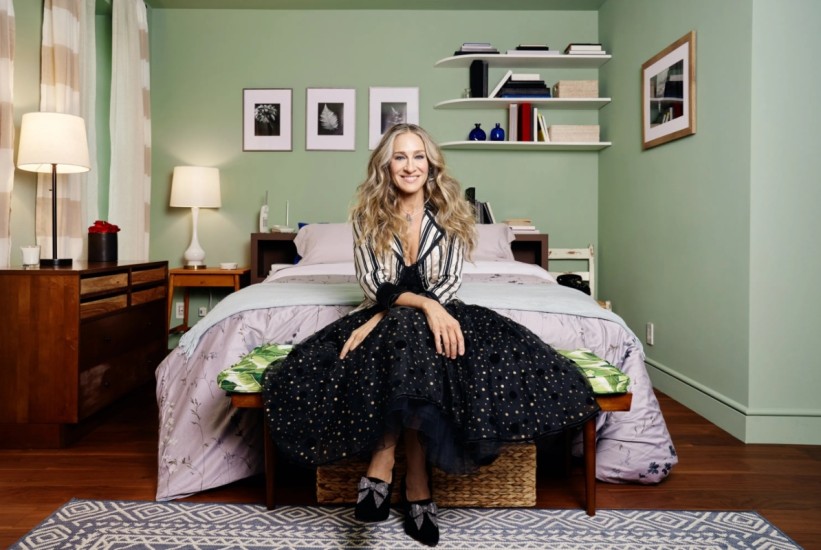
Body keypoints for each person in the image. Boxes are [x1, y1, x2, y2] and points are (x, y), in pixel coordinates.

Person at [263, 124, 601, 546]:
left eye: (418, 156)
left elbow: (447, 284)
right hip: (390, 315)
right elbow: (374, 285)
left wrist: (416, 310)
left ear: (431, 164)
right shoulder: (367, 217)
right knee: (397, 334)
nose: (410, 166)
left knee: (417, 334)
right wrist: (405, 310)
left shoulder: (452, 214)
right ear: (386, 166)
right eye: (400, 157)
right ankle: (417, 483)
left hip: (442, 315)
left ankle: (383, 462)